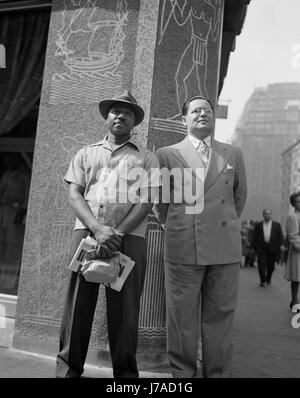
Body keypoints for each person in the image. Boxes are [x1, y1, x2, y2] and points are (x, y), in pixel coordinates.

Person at [55, 90, 160, 378]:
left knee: (125, 311)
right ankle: (67, 371)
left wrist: (117, 232)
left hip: (130, 239)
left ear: (134, 122)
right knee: (77, 306)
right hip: (86, 235)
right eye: (115, 111)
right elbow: (75, 193)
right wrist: (98, 229)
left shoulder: (147, 158)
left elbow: (147, 200)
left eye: (127, 112)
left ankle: (125, 377)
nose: (120, 116)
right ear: (107, 117)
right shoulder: (85, 153)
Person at [154, 95, 247, 378]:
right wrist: (181, 225)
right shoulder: (168, 154)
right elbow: (161, 202)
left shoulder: (232, 153)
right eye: (195, 111)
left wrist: (224, 224)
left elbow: (239, 198)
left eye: (207, 110)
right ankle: (183, 375)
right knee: (181, 316)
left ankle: (216, 373)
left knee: (220, 315)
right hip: (183, 244)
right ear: (184, 119)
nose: (202, 114)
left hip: (224, 246)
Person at [0, 153, 30, 292]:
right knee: (3, 246)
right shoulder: (7, 173)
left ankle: (7, 284)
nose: (7, 160)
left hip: (15, 213)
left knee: (13, 250)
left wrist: (22, 211)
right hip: (3, 212)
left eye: (10, 157)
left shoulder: (24, 174)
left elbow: (29, 193)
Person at [251, 209, 284, 287]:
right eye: (266, 214)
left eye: (269, 214)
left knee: (271, 266)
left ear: (271, 215)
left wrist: (282, 245)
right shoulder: (258, 225)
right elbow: (254, 237)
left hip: (272, 248)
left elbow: (280, 236)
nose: (268, 215)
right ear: (263, 215)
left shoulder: (276, 225)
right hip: (261, 247)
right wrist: (253, 247)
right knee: (261, 265)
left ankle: (268, 278)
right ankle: (263, 280)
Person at [284, 192, 300, 313]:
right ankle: (294, 300)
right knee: (296, 278)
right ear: (294, 204)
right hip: (297, 252)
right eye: (298, 201)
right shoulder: (292, 217)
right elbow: (293, 236)